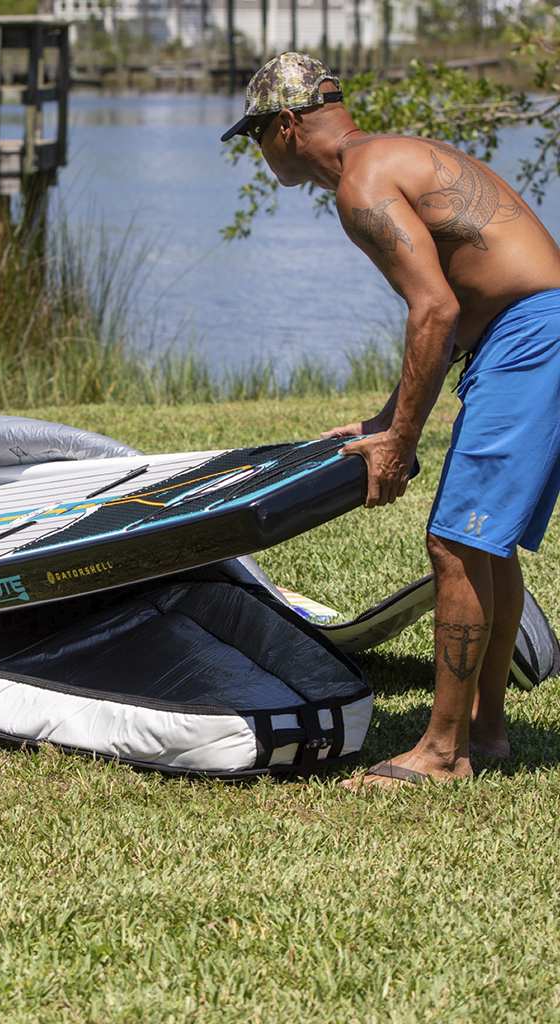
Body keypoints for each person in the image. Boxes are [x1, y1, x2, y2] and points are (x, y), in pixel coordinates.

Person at [221, 52, 560, 789]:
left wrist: (400, 445)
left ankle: (441, 754)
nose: (257, 148)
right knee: (485, 542)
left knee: (456, 542)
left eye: (255, 133)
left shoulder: (361, 183)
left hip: (533, 335)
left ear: (286, 125)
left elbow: (434, 308)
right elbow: (455, 302)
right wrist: (384, 420)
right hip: (530, 331)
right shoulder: (390, 155)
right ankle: (484, 729)